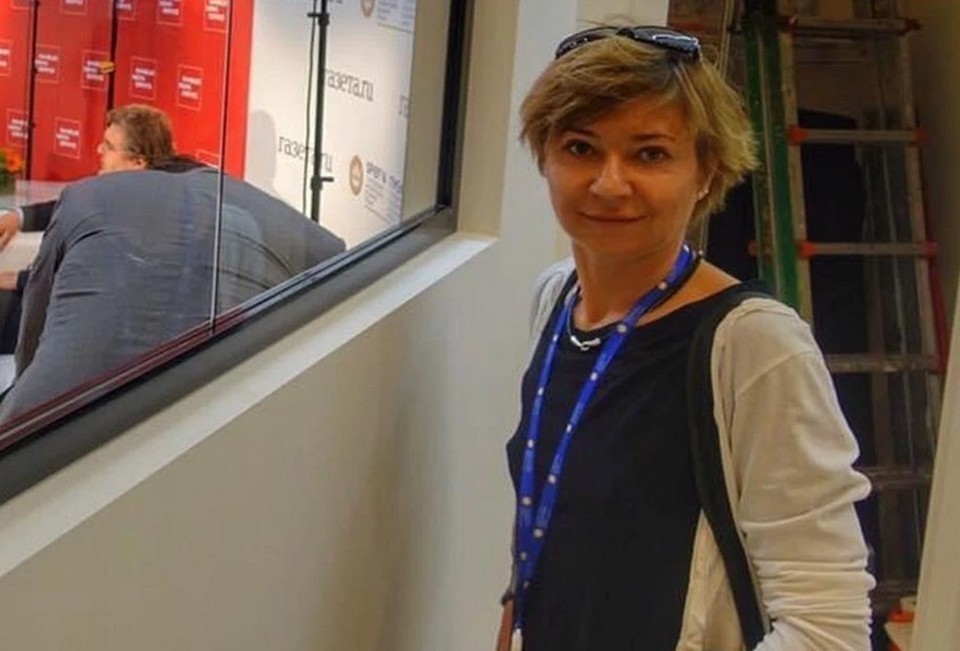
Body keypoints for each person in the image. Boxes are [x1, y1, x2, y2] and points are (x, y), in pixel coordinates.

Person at [497, 26, 874, 651]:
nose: (609, 183)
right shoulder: (557, 299)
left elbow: (828, 627)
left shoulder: (754, 346)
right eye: (581, 148)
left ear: (706, 174)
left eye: (649, 155)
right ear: (545, 157)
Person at [0, 162, 345, 422]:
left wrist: (24, 379)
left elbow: (36, 313)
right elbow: (336, 264)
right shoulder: (261, 216)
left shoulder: (92, 196)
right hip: (220, 407)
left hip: (50, 422)